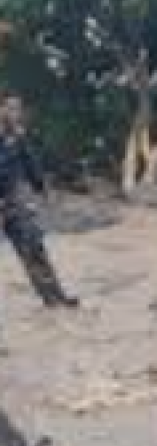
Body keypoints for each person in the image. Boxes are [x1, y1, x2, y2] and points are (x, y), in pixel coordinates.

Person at [0, 93, 78, 308]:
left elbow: (31, 165)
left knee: (34, 248)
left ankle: (55, 298)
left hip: (16, 202)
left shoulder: (18, 138)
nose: (16, 113)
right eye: (11, 108)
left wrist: (42, 190)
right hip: (6, 201)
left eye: (18, 109)